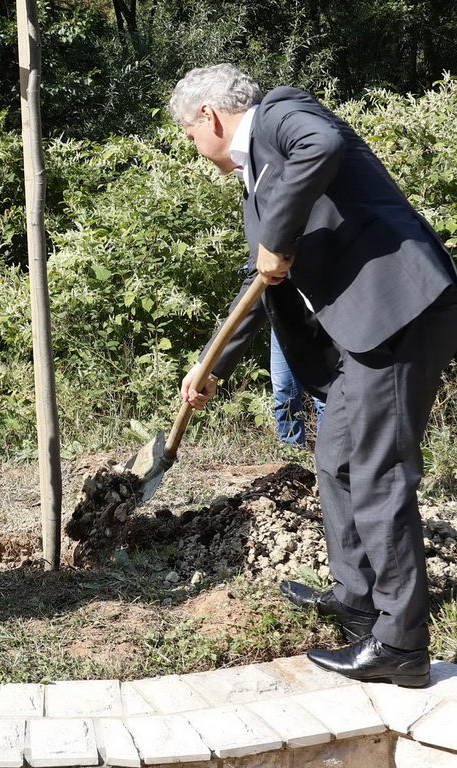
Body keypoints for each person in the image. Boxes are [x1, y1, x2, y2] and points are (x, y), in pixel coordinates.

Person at [169, 64, 457, 687]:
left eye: (191, 137)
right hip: (366, 334)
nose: (196, 151)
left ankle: (402, 645)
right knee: (336, 460)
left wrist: (273, 233)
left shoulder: (279, 114)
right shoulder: (262, 177)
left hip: (398, 313)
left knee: (380, 472)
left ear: (210, 119)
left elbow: (321, 146)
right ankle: (357, 601)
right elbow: (263, 280)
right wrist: (209, 364)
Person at [271, 324, 323, 447]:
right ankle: (292, 453)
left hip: (322, 322)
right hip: (283, 322)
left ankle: (330, 458)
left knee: (325, 397)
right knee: (284, 392)